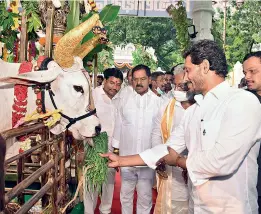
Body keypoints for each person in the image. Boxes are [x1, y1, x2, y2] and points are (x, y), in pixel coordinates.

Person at [102, 40, 261, 214]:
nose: (185, 78)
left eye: (188, 70)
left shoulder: (242, 102)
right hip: (197, 206)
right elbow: (168, 148)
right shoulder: (194, 111)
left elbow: (220, 162)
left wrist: (178, 161)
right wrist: (122, 160)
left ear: (205, 67)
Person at [112, 64, 161, 214]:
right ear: (131, 80)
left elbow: (159, 132)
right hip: (126, 156)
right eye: (135, 79)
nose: (139, 83)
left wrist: (158, 156)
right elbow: (118, 125)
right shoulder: (124, 100)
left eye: (143, 79)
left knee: (145, 196)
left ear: (149, 80)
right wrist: (115, 150)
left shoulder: (159, 103)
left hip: (146, 159)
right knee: (125, 195)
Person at [152, 64, 195, 214]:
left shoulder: (201, 108)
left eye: (182, 86)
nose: (177, 90)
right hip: (171, 167)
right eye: (175, 85)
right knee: (174, 205)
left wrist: (187, 163)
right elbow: (156, 134)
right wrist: (159, 159)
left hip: (197, 168)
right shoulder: (165, 107)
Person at [84, 68, 123, 214]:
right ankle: (89, 212)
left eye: (118, 84)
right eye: (112, 82)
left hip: (113, 149)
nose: (115, 87)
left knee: (109, 184)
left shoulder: (120, 98)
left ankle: (105, 211)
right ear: (104, 80)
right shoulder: (92, 96)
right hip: (95, 148)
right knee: (92, 185)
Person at [242, 51, 261, 213]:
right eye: (245, 72)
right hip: (251, 181)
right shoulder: (242, 101)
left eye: (252, 71)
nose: (247, 76)